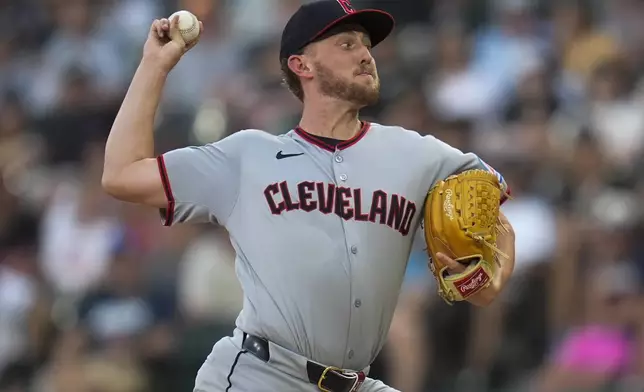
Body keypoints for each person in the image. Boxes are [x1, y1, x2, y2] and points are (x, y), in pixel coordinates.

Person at [101, 1, 516, 391]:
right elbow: (121, 175)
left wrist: (489, 276)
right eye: (347, 44)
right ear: (302, 65)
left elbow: (491, 207)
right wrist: (154, 66)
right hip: (260, 376)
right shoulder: (247, 156)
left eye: (367, 46)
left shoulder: (419, 155)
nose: (365, 55)